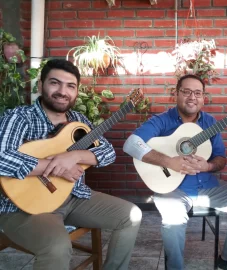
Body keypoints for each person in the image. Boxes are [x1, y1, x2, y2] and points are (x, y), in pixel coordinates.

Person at [0, 59, 142, 270]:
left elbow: (107, 152)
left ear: (76, 91)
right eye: (54, 83)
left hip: (74, 197)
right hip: (24, 207)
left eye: (70, 86)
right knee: (57, 248)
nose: (62, 91)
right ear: (40, 86)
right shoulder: (20, 118)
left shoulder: (78, 120)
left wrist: (74, 157)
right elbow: (2, 158)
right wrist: (55, 165)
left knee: (131, 216)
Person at [123, 74, 227, 270]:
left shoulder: (211, 123)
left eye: (197, 93)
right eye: (186, 91)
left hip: (208, 186)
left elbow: (221, 158)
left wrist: (209, 166)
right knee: (174, 219)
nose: (192, 97)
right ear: (176, 94)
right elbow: (131, 144)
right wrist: (169, 161)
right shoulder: (161, 121)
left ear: (204, 97)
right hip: (171, 189)